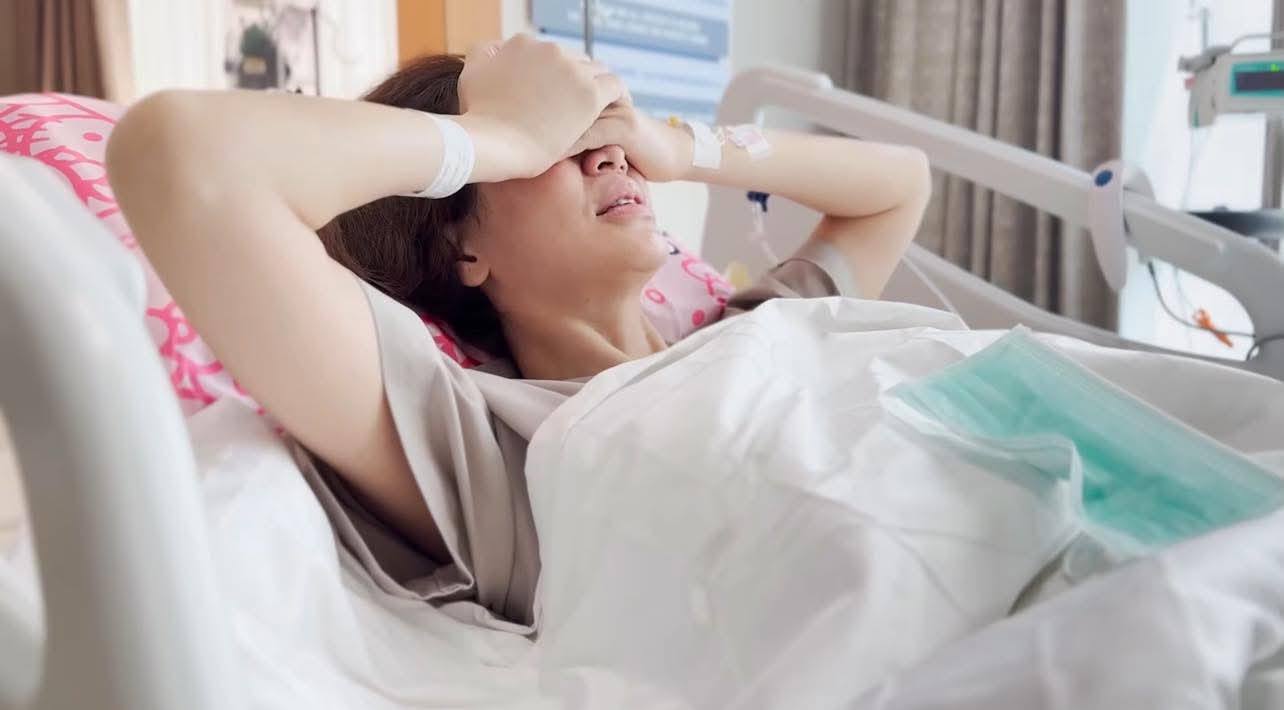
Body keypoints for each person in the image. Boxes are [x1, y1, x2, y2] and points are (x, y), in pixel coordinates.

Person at [105, 35, 931, 629]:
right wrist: (503, 136)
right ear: (462, 245)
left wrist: (678, 148)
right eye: (566, 144)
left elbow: (902, 184)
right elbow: (179, 158)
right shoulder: (496, 451)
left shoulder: (753, 327)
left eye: (608, 134)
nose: (610, 156)